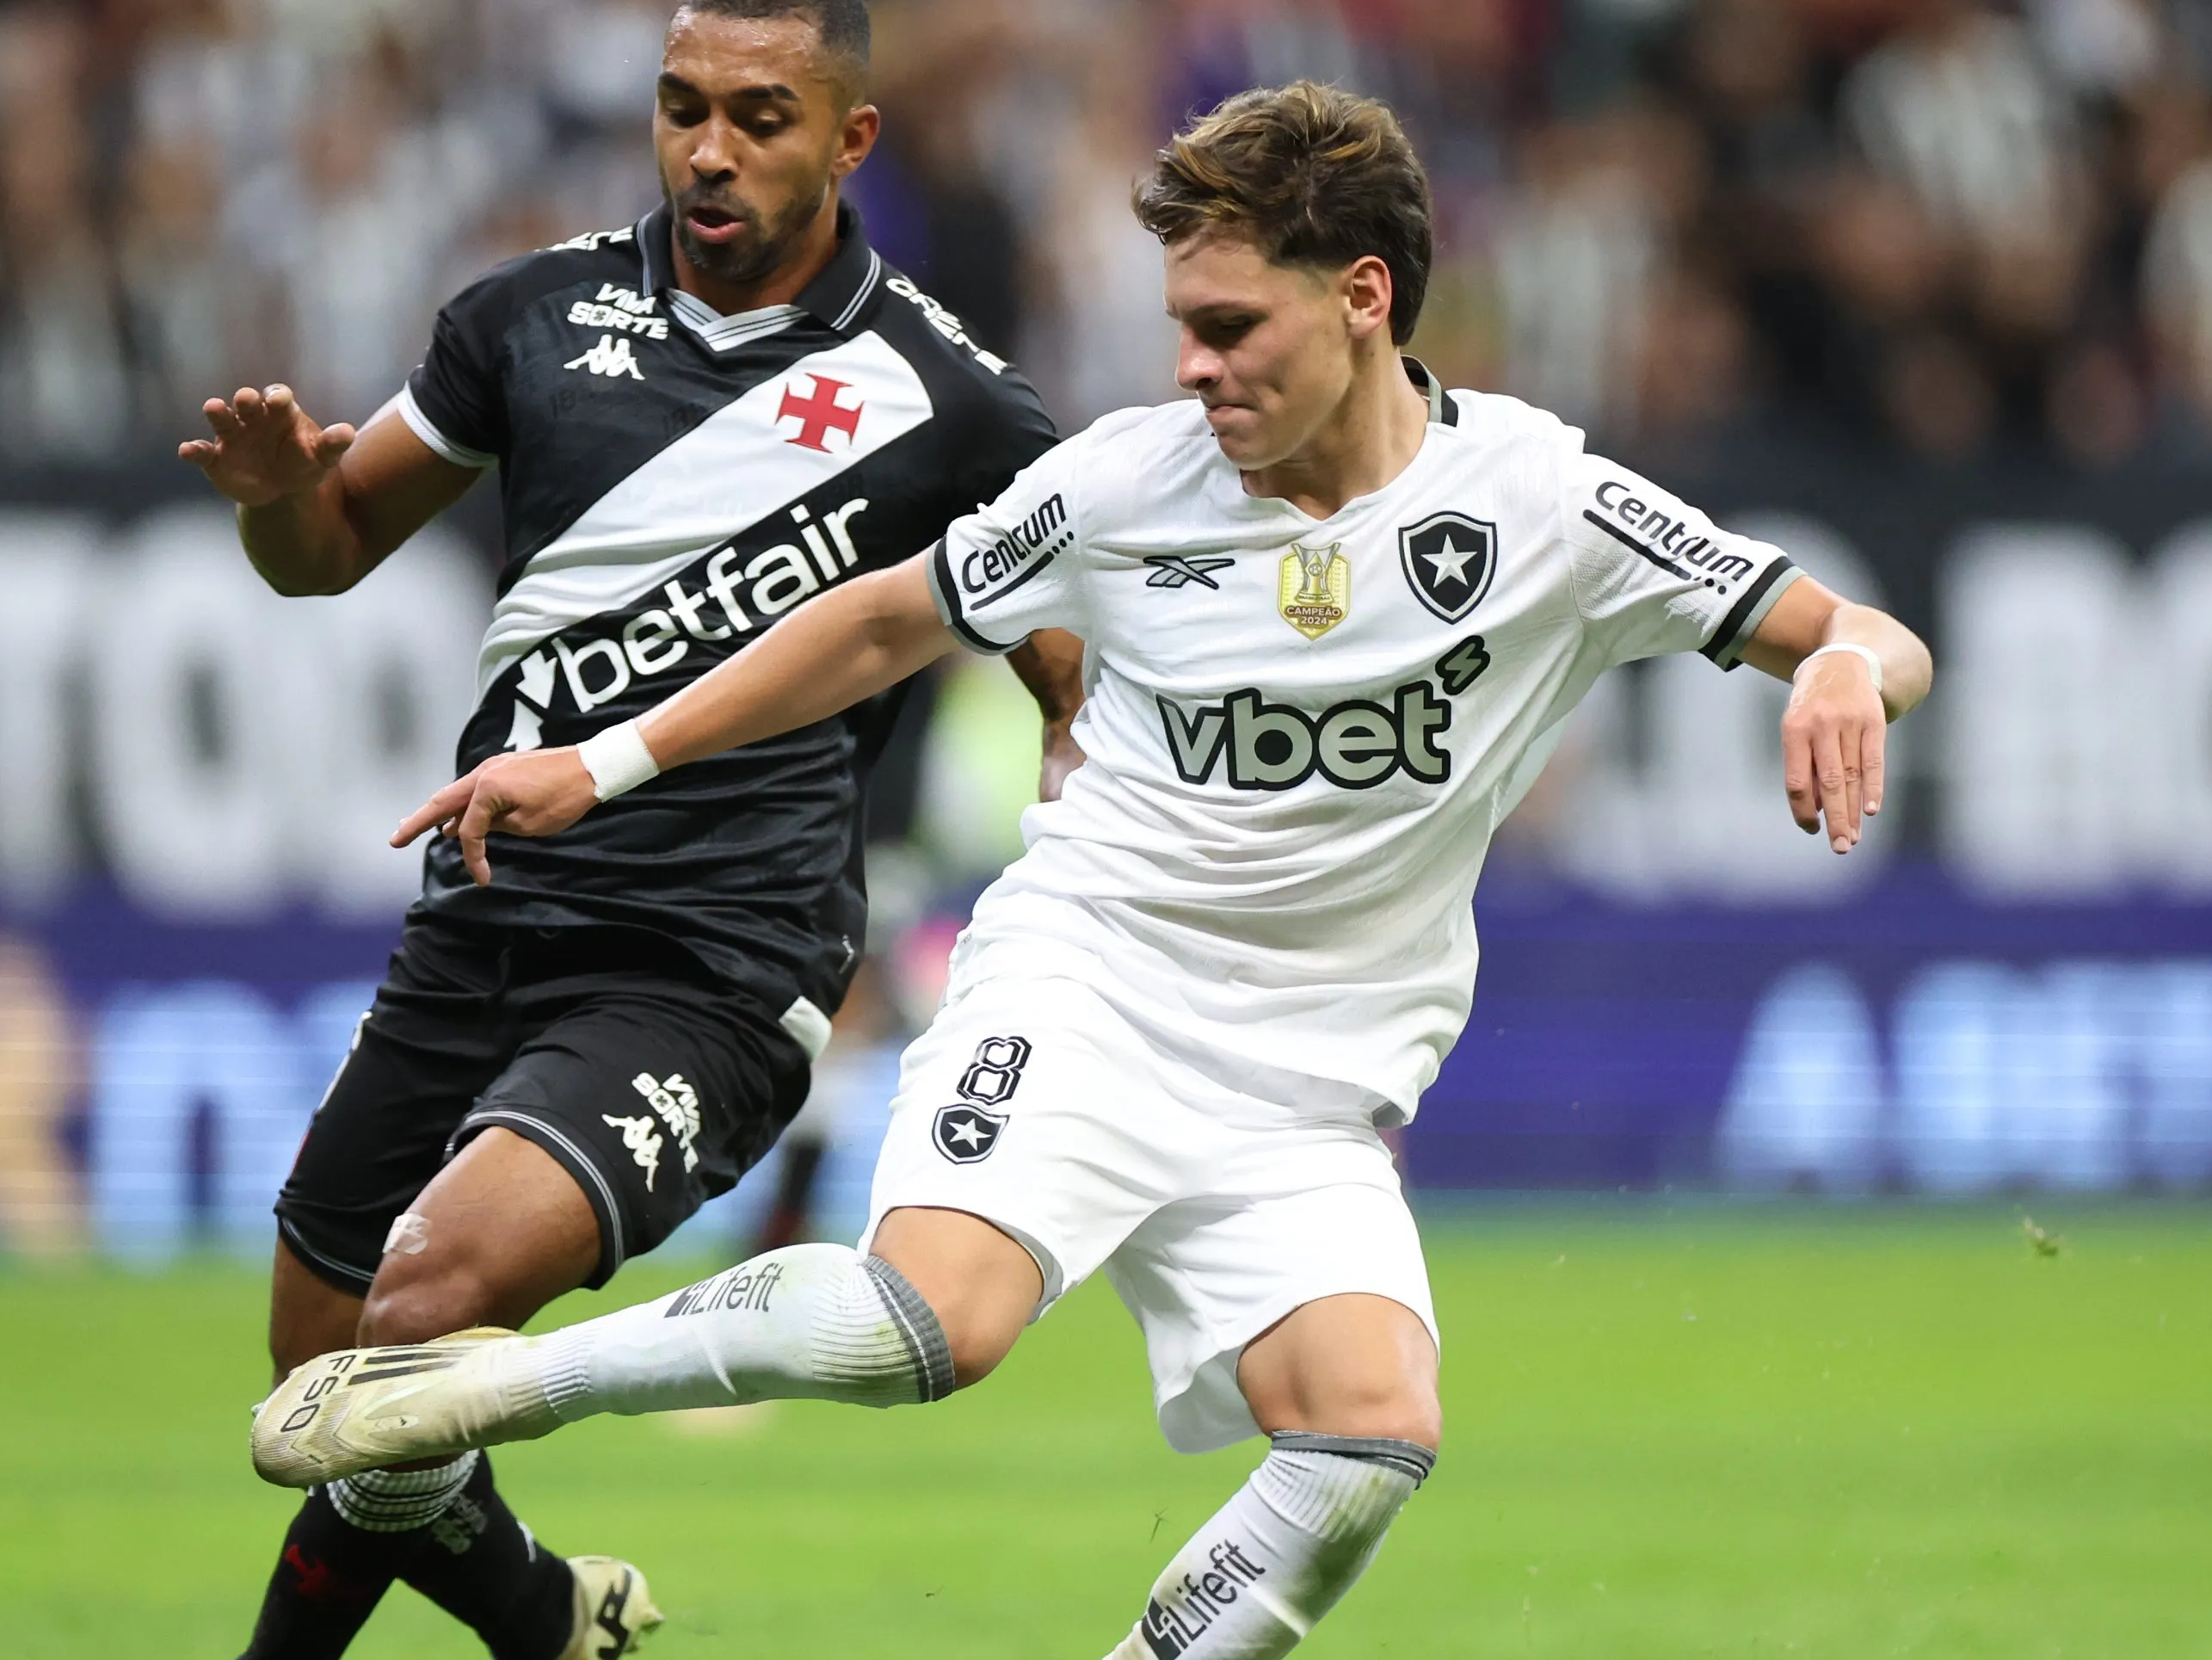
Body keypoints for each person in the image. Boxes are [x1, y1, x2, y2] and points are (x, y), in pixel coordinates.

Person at [253, 81, 1932, 1658]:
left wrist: (1846, 665)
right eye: (1178, 329)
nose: (1192, 369)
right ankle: (488, 1392)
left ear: (1362, 298)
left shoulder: (1542, 505)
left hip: (1311, 1075)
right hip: (1096, 980)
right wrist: (603, 759)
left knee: (1367, 1436)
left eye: (1229, 328)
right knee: (938, 1327)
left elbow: (1864, 631)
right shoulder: (1131, 484)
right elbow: (883, 618)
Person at [177, 0, 1079, 1657]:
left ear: (851, 138)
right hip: (488, 892)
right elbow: (323, 556)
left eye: (759, 118)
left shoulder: (951, 399)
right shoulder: (523, 318)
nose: (710, 153)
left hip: (716, 955)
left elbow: (1065, 641)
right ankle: (542, 1619)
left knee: (430, 1301)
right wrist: (280, 502)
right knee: (324, 1364)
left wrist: (1071, 738)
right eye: (683, 112)